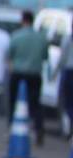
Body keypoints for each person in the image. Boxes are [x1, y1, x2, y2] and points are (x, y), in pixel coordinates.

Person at [7, 10, 48, 144]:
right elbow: (45, 56)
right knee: (35, 104)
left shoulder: (16, 36)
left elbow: (9, 55)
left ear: (22, 20)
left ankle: (12, 129)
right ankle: (39, 130)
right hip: (35, 75)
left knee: (14, 102)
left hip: (18, 74)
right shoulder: (41, 37)